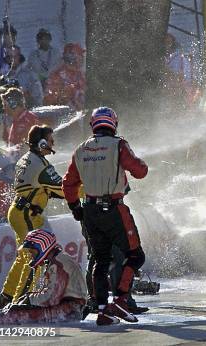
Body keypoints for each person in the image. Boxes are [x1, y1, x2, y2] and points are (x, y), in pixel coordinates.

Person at [62, 107, 148, 326]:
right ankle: (120, 299)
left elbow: (68, 183)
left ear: (93, 125)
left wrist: (75, 208)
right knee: (136, 256)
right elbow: (139, 171)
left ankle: (102, 310)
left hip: (89, 211)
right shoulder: (119, 144)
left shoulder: (80, 149)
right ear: (113, 124)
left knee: (101, 261)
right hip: (114, 209)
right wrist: (142, 163)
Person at [0, 125, 63, 309]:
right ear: (42, 143)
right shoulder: (42, 165)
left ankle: (7, 295)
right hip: (28, 215)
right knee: (36, 257)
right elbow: (63, 188)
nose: (53, 142)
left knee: (24, 257)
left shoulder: (27, 158)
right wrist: (92, 190)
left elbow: (37, 187)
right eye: (50, 139)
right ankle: (20, 302)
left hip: (20, 211)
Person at [0, 229, 88, 324]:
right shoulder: (57, 260)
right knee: (16, 309)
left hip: (68, 310)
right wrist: (28, 299)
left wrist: (29, 300)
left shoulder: (58, 263)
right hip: (67, 308)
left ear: (42, 246)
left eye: (32, 251)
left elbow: (51, 299)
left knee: (17, 314)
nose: (31, 255)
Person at [44, 43, 86, 110]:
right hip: (65, 116)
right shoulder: (57, 76)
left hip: (81, 114)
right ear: (72, 58)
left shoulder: (81, 74)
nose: (82, 58)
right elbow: (48, 101)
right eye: (80, 55)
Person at [1, 87, 39, 152]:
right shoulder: (17, 120)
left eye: (5, 105)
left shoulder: (28, 119)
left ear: (13, 104)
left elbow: (30, 146)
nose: (3, 108)